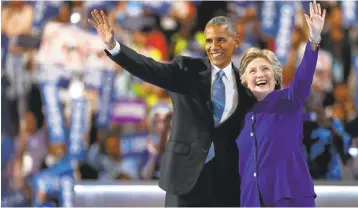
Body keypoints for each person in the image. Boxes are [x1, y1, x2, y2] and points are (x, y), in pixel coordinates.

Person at [88, 11, 256, 207]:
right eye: (209, 40)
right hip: (185, 178)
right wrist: (113, 47)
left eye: (221, 40)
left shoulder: (246, 86)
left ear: (236, 41)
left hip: (226, 182)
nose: (214, 46)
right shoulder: (187, 69)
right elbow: (148, 67)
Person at [235, 0, 325, 206]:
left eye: (266, 69)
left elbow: (303, 77)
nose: (260, 74)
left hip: (288, 198)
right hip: (251, 201)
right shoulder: (238, 115)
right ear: (244, 80)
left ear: (275, 77)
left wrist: (313, 40)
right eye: (253, 71)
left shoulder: (288, 101)